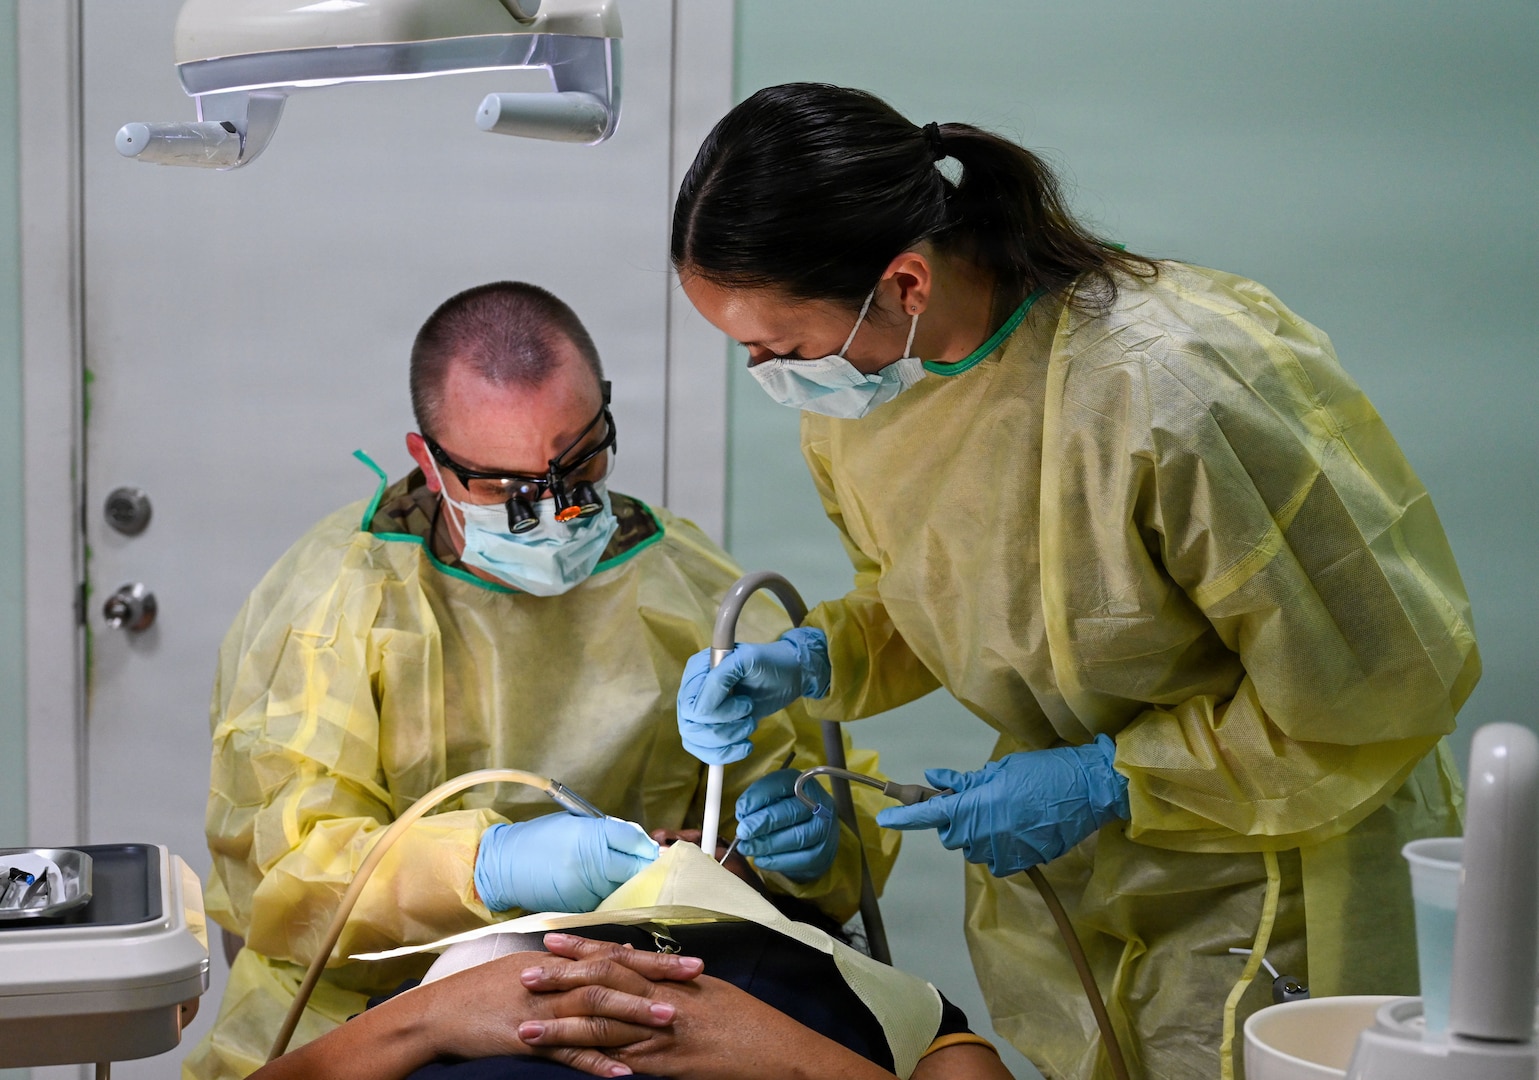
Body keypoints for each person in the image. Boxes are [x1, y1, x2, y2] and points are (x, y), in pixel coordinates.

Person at [669, 83, 1479, 1079]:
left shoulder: (1179, 388)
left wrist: (1113, 779)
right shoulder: (871, 405)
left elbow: (1369, 689)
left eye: (778, 348)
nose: (768, 373)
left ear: (907, 284)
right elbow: (939, 595)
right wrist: (811, 658)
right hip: (1089, 889)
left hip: (1276, 874)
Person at [186, 282, 899, 1080]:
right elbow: (284, 881)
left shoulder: (682, 582)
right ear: (428, 461)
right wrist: (491, 865)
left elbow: (822, 819)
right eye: (507, 490)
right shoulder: (337, 606)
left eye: (578, 463)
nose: (558, 513)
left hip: (661, 980)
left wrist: (796, 850)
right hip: (386, 1008)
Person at [247, 932, 1010, 1080]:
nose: (665, 843)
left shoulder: (846, 978)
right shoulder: (476, 961)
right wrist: (430, 1014)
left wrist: (428, 1020)